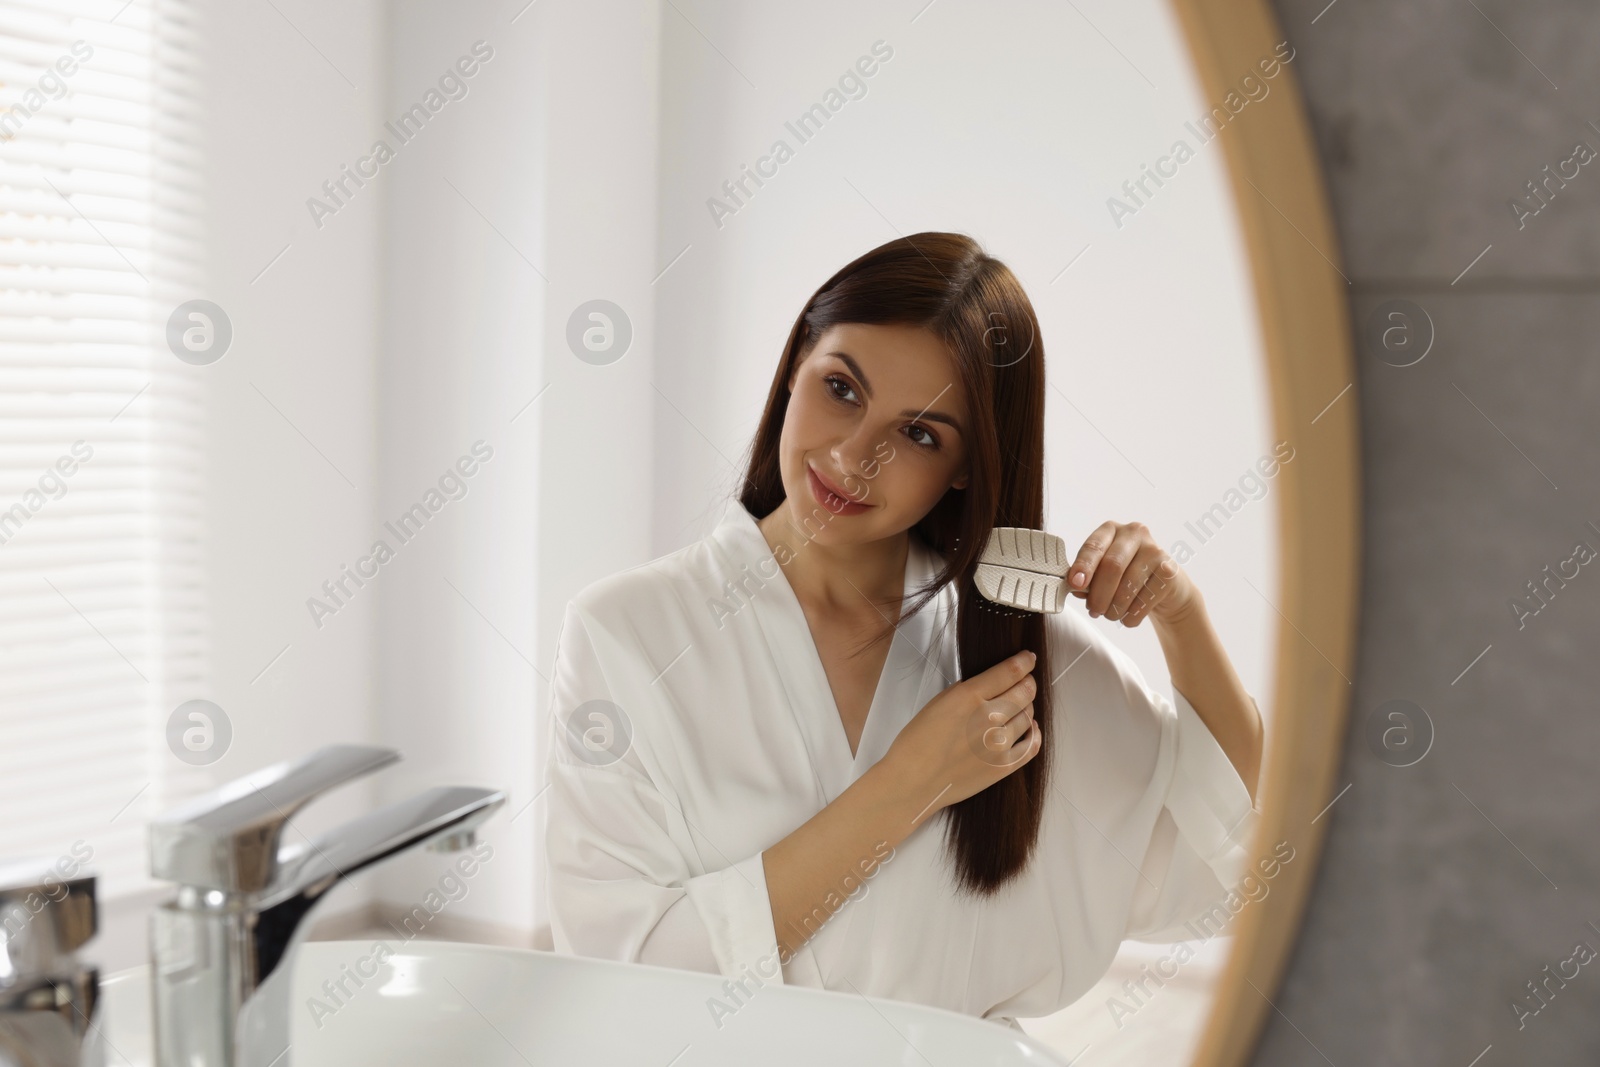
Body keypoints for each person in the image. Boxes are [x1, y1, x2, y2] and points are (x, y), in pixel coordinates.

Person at [542, 231, 1263, 1027]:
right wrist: (910, 782)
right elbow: (619, 976)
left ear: (966, 465)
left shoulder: (1018, 665)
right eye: (842, 388)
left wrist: (1180, 612)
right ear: (795, 365)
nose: (855, 456)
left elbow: (1233, 846)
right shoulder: (625, 634)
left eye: (918, 434)